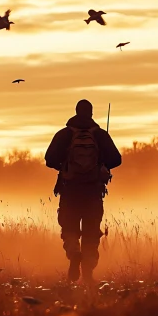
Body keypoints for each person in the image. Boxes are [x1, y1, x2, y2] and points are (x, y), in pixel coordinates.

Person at [45, 99, 122, 283]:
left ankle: (74, 254)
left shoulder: (64, 134)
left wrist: (64, 167)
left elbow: (49, 159)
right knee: (91, 233)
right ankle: (88, 272)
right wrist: (102, 165)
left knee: (69, 228)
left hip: (70, 191)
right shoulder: (100, 135)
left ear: (76, 112)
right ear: (91, 113)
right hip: (93, 192)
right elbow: (117, 159)